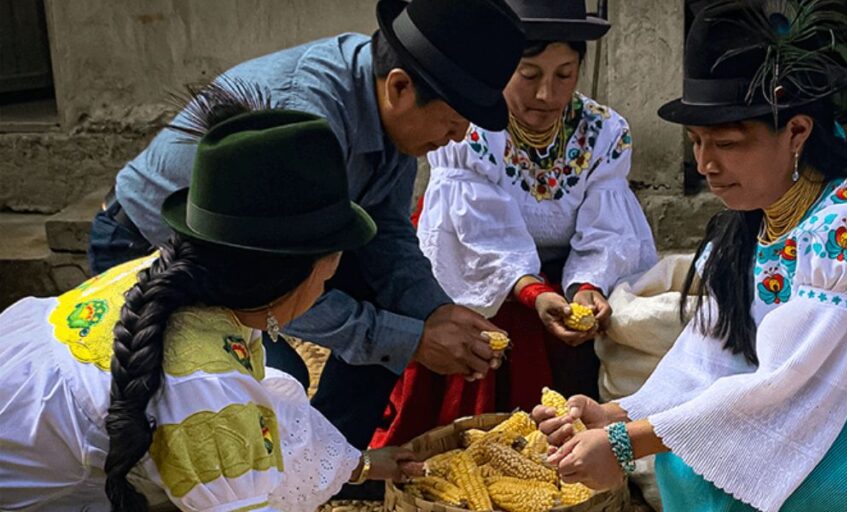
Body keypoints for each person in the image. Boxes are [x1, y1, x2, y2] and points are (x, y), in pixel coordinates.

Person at [533, 2, 847, 512]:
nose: (705, 164)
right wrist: (618, 413)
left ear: (797, 132)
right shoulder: (761, 215)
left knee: (750, 480)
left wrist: (625, 443)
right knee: (692, 463)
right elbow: (717, 352)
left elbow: (789, 385)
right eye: (697, 142)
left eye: (725, 142)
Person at [86, 0, 526, 453]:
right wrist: (410, 338)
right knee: (273, 381)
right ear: (399, 87)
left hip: (263, 256)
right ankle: (277, 478)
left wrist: (431, 311)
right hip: (154, 249)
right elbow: (272, 279)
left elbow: (386, 230)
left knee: (394, 318)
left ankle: (333, 466)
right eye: (453, 123)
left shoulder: (392, 109)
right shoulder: (305, 122)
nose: (456, 138)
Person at [0, 108, 426, 511]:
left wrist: (361, 464)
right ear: (290, 276)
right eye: (328, 275)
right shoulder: (202, 380)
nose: (326, 286)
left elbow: (260, 421)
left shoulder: (178, 279)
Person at [371, 0, 657, 448]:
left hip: (562, 266)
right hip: (470, 256)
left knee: (595, 323)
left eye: (564, 75)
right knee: (496, 327)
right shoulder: (469, 126)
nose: (546, 94)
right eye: (529, 75)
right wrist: (531, 290)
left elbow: (606, 226)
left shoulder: (603, 131)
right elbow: (481, 231)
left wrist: (588, 286)